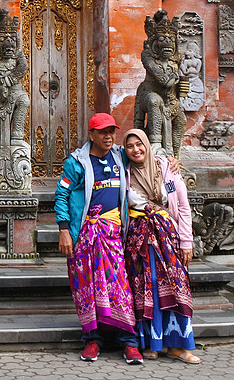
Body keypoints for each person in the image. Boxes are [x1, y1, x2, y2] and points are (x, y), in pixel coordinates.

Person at [55, 113, 144, 365]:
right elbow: (61, 195)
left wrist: (169, 161)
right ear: (91, 134)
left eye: (112, 132)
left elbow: (144, 154)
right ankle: (93, 341)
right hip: (83, 235)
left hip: (113, 235)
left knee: (120, 288)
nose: (108, 136)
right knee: (86, 289)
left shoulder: (120, 155)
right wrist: (63, 230)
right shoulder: (76, 162)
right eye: (103, 132)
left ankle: (129, 342)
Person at [122, 128, 201, 364]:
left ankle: (178, 346)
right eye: (130, 146)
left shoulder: (166, 169)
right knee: (148, 288)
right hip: (140, 241)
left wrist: (187, 242)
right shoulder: (124, 174)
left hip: (168, 239)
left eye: (140, 144)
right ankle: (152, 344)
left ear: (147, 144)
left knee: (176, 288)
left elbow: (184, 208)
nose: (136, 149)